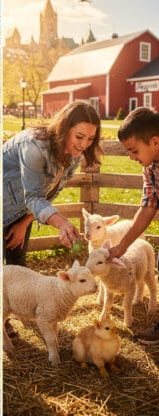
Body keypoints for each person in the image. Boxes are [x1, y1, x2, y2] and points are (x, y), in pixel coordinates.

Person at [2, 100, 102, 267]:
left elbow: (48, 194)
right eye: (79, 136)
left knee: (17, 268)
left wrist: (24, 223)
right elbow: (34, 196)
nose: (84, 144)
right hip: (2, 207)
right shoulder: (33, 146)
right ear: (64, 129)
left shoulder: (74, 154)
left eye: (90, 138)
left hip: (23, 212)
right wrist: (62, 223)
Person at [106, 108, 159, 344]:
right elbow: (148, 207)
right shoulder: (150, 169)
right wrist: (122, 247)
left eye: (134, 150)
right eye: (127, 151)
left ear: (155, 142)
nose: (131, 157)